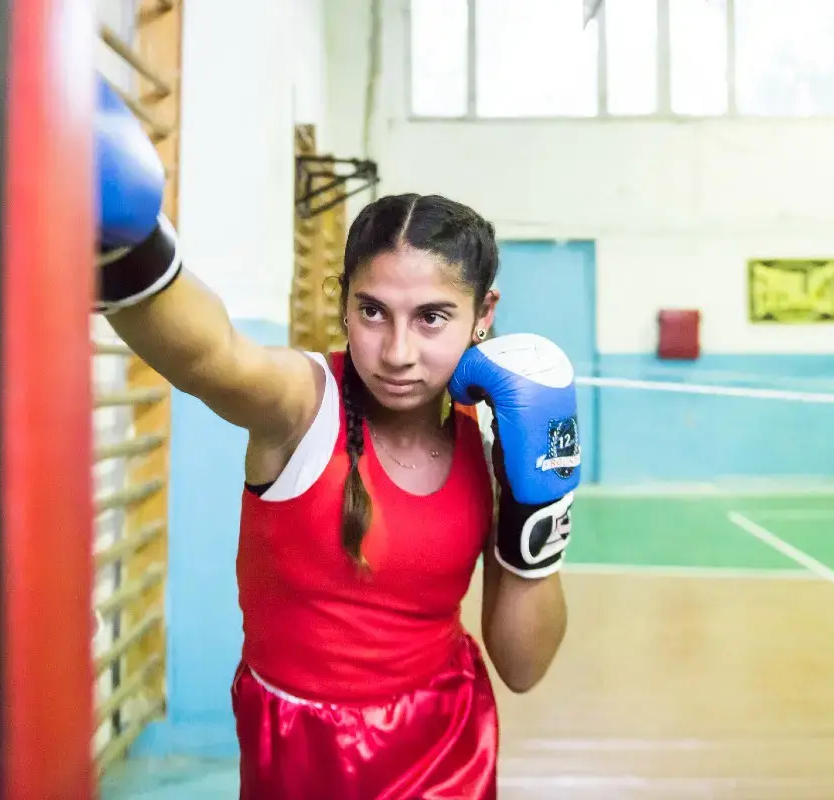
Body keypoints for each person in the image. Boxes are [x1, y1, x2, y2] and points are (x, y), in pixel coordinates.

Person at [96, 79, 578, 799]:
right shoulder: (303, 406)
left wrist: (539, 516)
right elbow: (211, 356)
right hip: (302, 751)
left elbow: (524, 666)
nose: (398, 351)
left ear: (485, 314)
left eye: (433, 318)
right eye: (373, 312)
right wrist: (128, 244)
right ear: (342, 301)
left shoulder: (492, 440)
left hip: (446, 742)